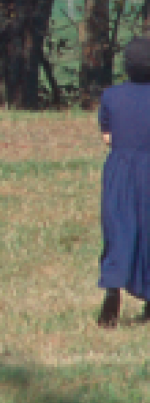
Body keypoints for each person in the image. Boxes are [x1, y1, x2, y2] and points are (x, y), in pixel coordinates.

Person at [96, 37, 150, 327]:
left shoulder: (111, 96)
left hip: (121, 169)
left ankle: (113, 292)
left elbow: (108, 137)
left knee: (118, 228)